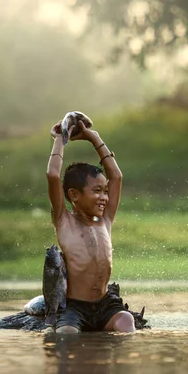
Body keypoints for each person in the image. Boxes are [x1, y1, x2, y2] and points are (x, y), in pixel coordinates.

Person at [46, 113, 135, 333]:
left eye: (105, 192)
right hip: (76, 307)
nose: (104, 197)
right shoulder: (63, 221)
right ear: (74, 195)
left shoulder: (105, 220)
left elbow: (117, 177)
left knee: (125, 322)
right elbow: (53, 175)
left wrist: (94, 138)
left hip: (105, 304)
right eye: (97, 191)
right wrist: (59, 138)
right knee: (67, 333)